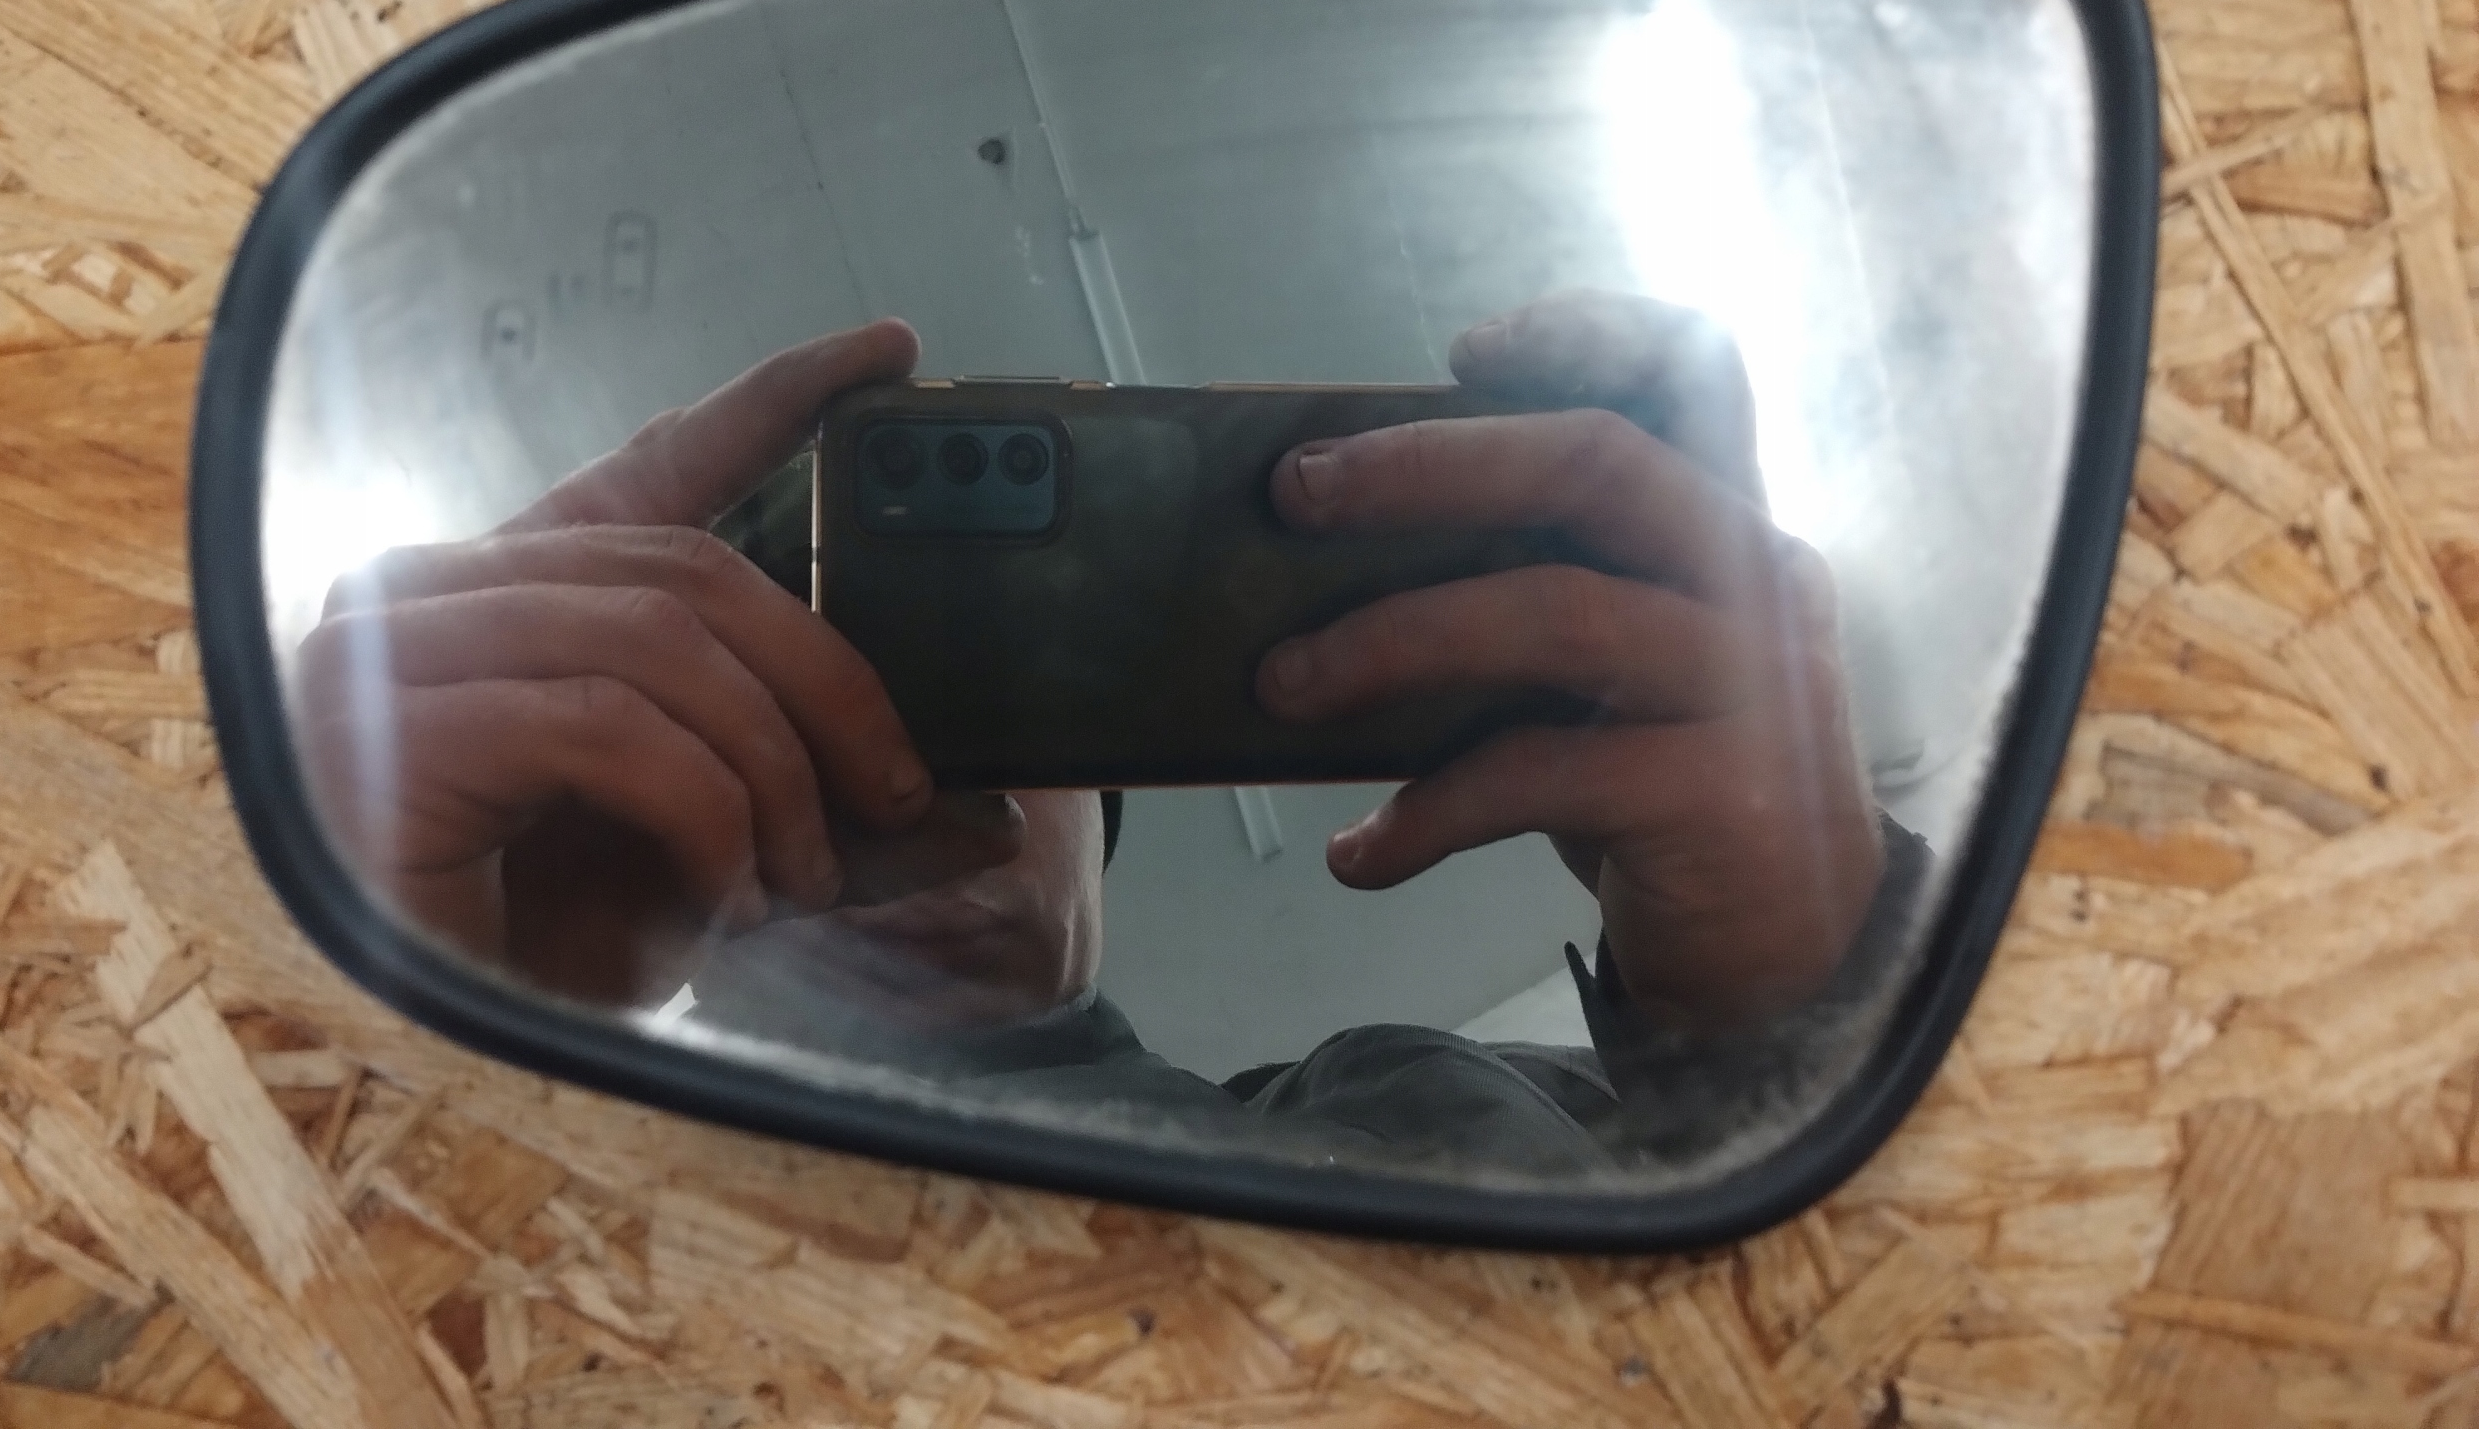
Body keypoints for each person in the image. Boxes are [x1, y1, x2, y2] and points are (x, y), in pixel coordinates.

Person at [296, 294, 1930, 1173]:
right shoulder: (570, 1200)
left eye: (987, 672)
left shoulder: (1443, 1109)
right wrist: (380, 1053)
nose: (892, 746)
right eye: (811, 666)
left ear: (1114, 786)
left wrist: (1804, 1022)